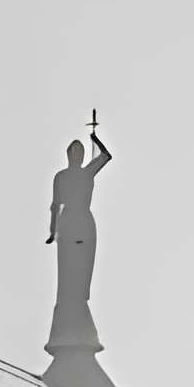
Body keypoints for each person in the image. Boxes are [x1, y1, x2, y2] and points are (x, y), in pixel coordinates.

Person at [46, 122, 114, 351]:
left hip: (84, 223)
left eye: (80, 151)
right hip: (67, 225)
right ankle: (67, 317)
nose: (76, 155)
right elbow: (55, 205)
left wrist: (94, 138)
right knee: (66, 275)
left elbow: (106, 156)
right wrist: (52, 231)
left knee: (82, 273)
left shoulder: (88, 172)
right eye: (73, 151)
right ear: (68, 154)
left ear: (83, 155)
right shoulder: (61, 177)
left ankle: (80, 313)